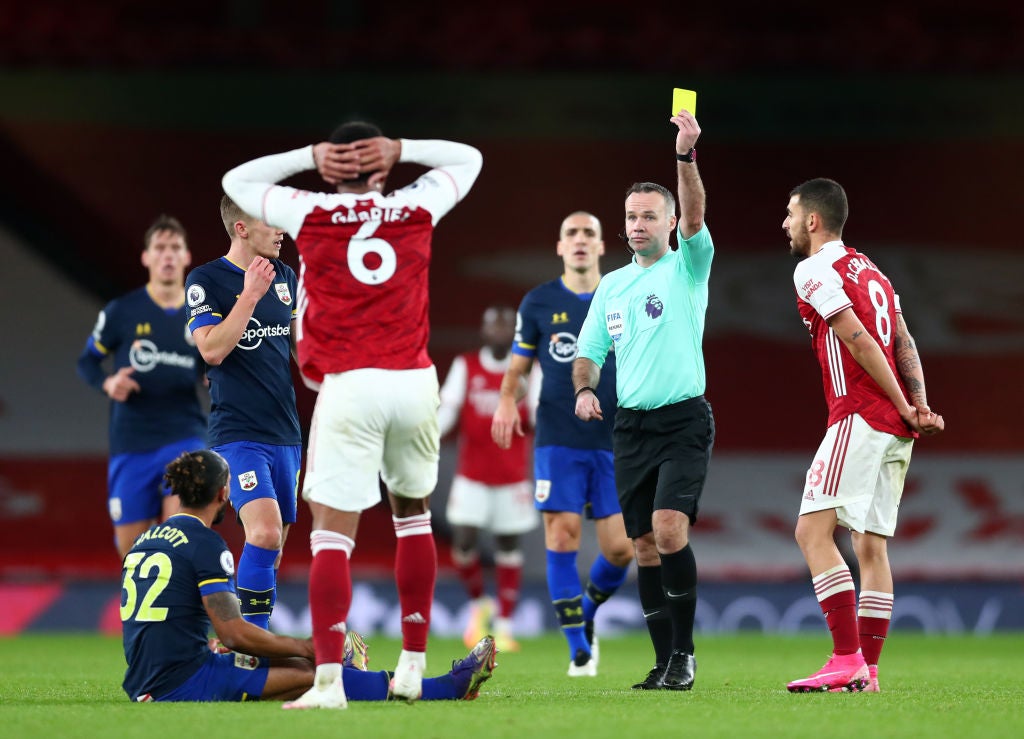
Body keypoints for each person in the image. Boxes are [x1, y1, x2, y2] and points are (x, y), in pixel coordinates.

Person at [222, 120, 482, 708]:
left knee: (331, 537)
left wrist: (312, 155)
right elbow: (469, 158)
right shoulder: (417, 205)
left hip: (352, 383)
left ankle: (329, 685)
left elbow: (237, 181)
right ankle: (413, 666)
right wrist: (406, 150)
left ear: (335, 167)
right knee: (412, 517)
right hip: (415, 380)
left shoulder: (310, 212)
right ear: (383, 168)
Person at [120, 449, 497, 705]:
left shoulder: (143, 541)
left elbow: (165, 622)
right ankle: (444, 687)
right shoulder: (206, 544)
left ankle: (344, 665)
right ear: (224, 492)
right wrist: (306, 646)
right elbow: (235, 633)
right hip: (184, 683)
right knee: (316, 670)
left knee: (298, 667)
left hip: (146, 678)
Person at [781, 178, 945, 693]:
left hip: (860, 414)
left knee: (811, 533)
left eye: (790, 214)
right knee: (870, 546)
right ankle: (868, 673)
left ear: (812, 220)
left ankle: (846, 656)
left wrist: (900, 403)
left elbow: (858, 339)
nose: (784, 223)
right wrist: (917, 407)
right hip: (895, 429)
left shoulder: (812, 269)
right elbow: (903, 338)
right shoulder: (872, 269)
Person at [571, 109, 714, 692]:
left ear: (672, 222)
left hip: (683, 420)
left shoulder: (688, 266)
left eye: (648, 216)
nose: (636, 225)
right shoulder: (611, 285)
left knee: (669, 527)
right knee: (645, 545)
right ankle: (663, 663)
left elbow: (697, 211)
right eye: (630, 216)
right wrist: (583, 387)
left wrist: (684, 156)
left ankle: (685, 655)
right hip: (630, 426)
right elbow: (589, 350)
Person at [492, 211, 634, 677]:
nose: (578, 240)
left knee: (620, 550)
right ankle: (578, 648)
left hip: (616, 437)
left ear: (600, 246)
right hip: (558, 436)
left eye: (588, 233)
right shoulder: (538, 302)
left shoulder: (622, 295)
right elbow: (516, 367)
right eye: (570, 233)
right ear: (559, 247)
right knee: (561, 535)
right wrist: (507, 402)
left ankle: (588, 612)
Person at [184, 196, 302, 631]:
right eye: (271, 222)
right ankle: (249, 644)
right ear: (241, 228)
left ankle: (242, 639)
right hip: (237, 431)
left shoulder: (287, 276)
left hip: (286, 432)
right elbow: (212, 349)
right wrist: (250, 294)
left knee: (273, 546)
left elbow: (299, 351)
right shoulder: (206, 279)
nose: (281, 229)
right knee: (265, 532)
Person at [77, 215, 207, 560]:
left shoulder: (203, 314)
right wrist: (108, 382)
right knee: (133, 556)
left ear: (187, 257)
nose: (168, 256)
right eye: (160, 248)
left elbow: (215, 366)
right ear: (146, 257)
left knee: (181, 543)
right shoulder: (122, 311)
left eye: (175, 248)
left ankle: (183, 613)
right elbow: (86, 361)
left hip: (184, 436)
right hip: (131, 442)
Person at [438, 305, 539, 653]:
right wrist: (427, 439)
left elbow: (541, 415)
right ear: (483, 331)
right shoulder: (466, 366)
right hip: (472, 475)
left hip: (512, 477)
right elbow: (447, 411)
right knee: (464, 543)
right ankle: (479, 604)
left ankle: (506, 626)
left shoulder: (528, 369)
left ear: (515, 333)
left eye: (507, 326)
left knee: (508, 547)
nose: (500, 331)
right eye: (493, 325)